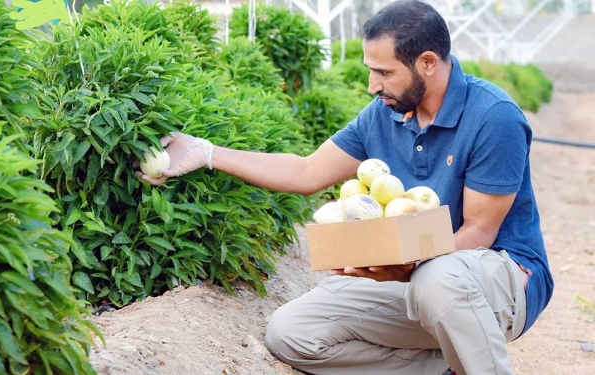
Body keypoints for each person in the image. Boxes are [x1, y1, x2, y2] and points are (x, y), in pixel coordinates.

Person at [137, 1, 554, 374]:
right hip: (421, 278)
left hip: (499, 278)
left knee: (438, 278)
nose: (373, 85)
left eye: (384, 72)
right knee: (292, 332)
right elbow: (306, 173)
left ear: (428, 61)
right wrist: (206, 152)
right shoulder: (383, 115)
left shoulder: (492, 116)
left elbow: (478, 233)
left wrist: (403, 265)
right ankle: (447, 360)